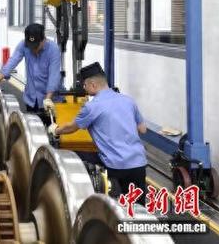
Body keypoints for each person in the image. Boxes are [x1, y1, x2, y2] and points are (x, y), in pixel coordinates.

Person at [49, 62, 148, 204]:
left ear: (93, 85)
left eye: (84, 85)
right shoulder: (128, 101)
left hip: (115, 166)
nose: (84, 88)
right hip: (139, 163)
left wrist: (55, 130)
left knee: (70, 154)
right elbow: (142, 129)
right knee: (137, 207)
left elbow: (71, 128)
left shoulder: (92, 107)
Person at [0, 23, 62, 113]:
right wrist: (0, 75)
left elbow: (54, 75)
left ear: (43, 40)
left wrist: (48, 98)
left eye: (36, 46)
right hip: (31, 99)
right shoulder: (24, 44)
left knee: (49, 121)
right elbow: (13, 59)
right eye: (31, 46)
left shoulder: (53, 49)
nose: (33, 49)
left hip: (49, 99)